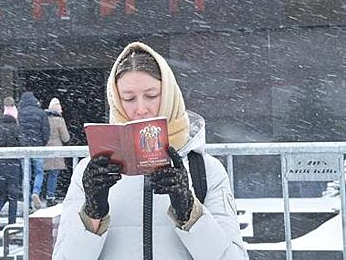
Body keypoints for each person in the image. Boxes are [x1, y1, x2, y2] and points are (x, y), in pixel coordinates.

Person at [53, 42, 249, 260]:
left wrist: (189, 212)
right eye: (128, 98)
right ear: (116, 101)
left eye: (152, 95)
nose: (141, 108)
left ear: (169, 96)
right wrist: (92, 214)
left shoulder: (205, 170)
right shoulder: (88, 172)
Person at [0, 113, 21, 232]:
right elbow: (23, 143)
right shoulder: (16, 129)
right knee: (13, 196)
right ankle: (12, 225)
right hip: (13, 165)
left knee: (1, 193)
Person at [17, 91, 50, 210]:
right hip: (37, 146)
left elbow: (18, 131)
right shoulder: (41, 113)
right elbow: (46, 131)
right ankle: (36, 191)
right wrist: (42, 143)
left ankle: (26, 197)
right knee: (39, 172)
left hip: (24, 147)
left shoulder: (19, 114)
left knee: (26, 173)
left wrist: (21, 143)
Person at [43, 97, 70, 207]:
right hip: (56, 150)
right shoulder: (59, 120)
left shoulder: (44, 119)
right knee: (53, 174)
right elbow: (65, 138)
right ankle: (50, 196)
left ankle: (40, 194)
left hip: (44, 149)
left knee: (42, 173)